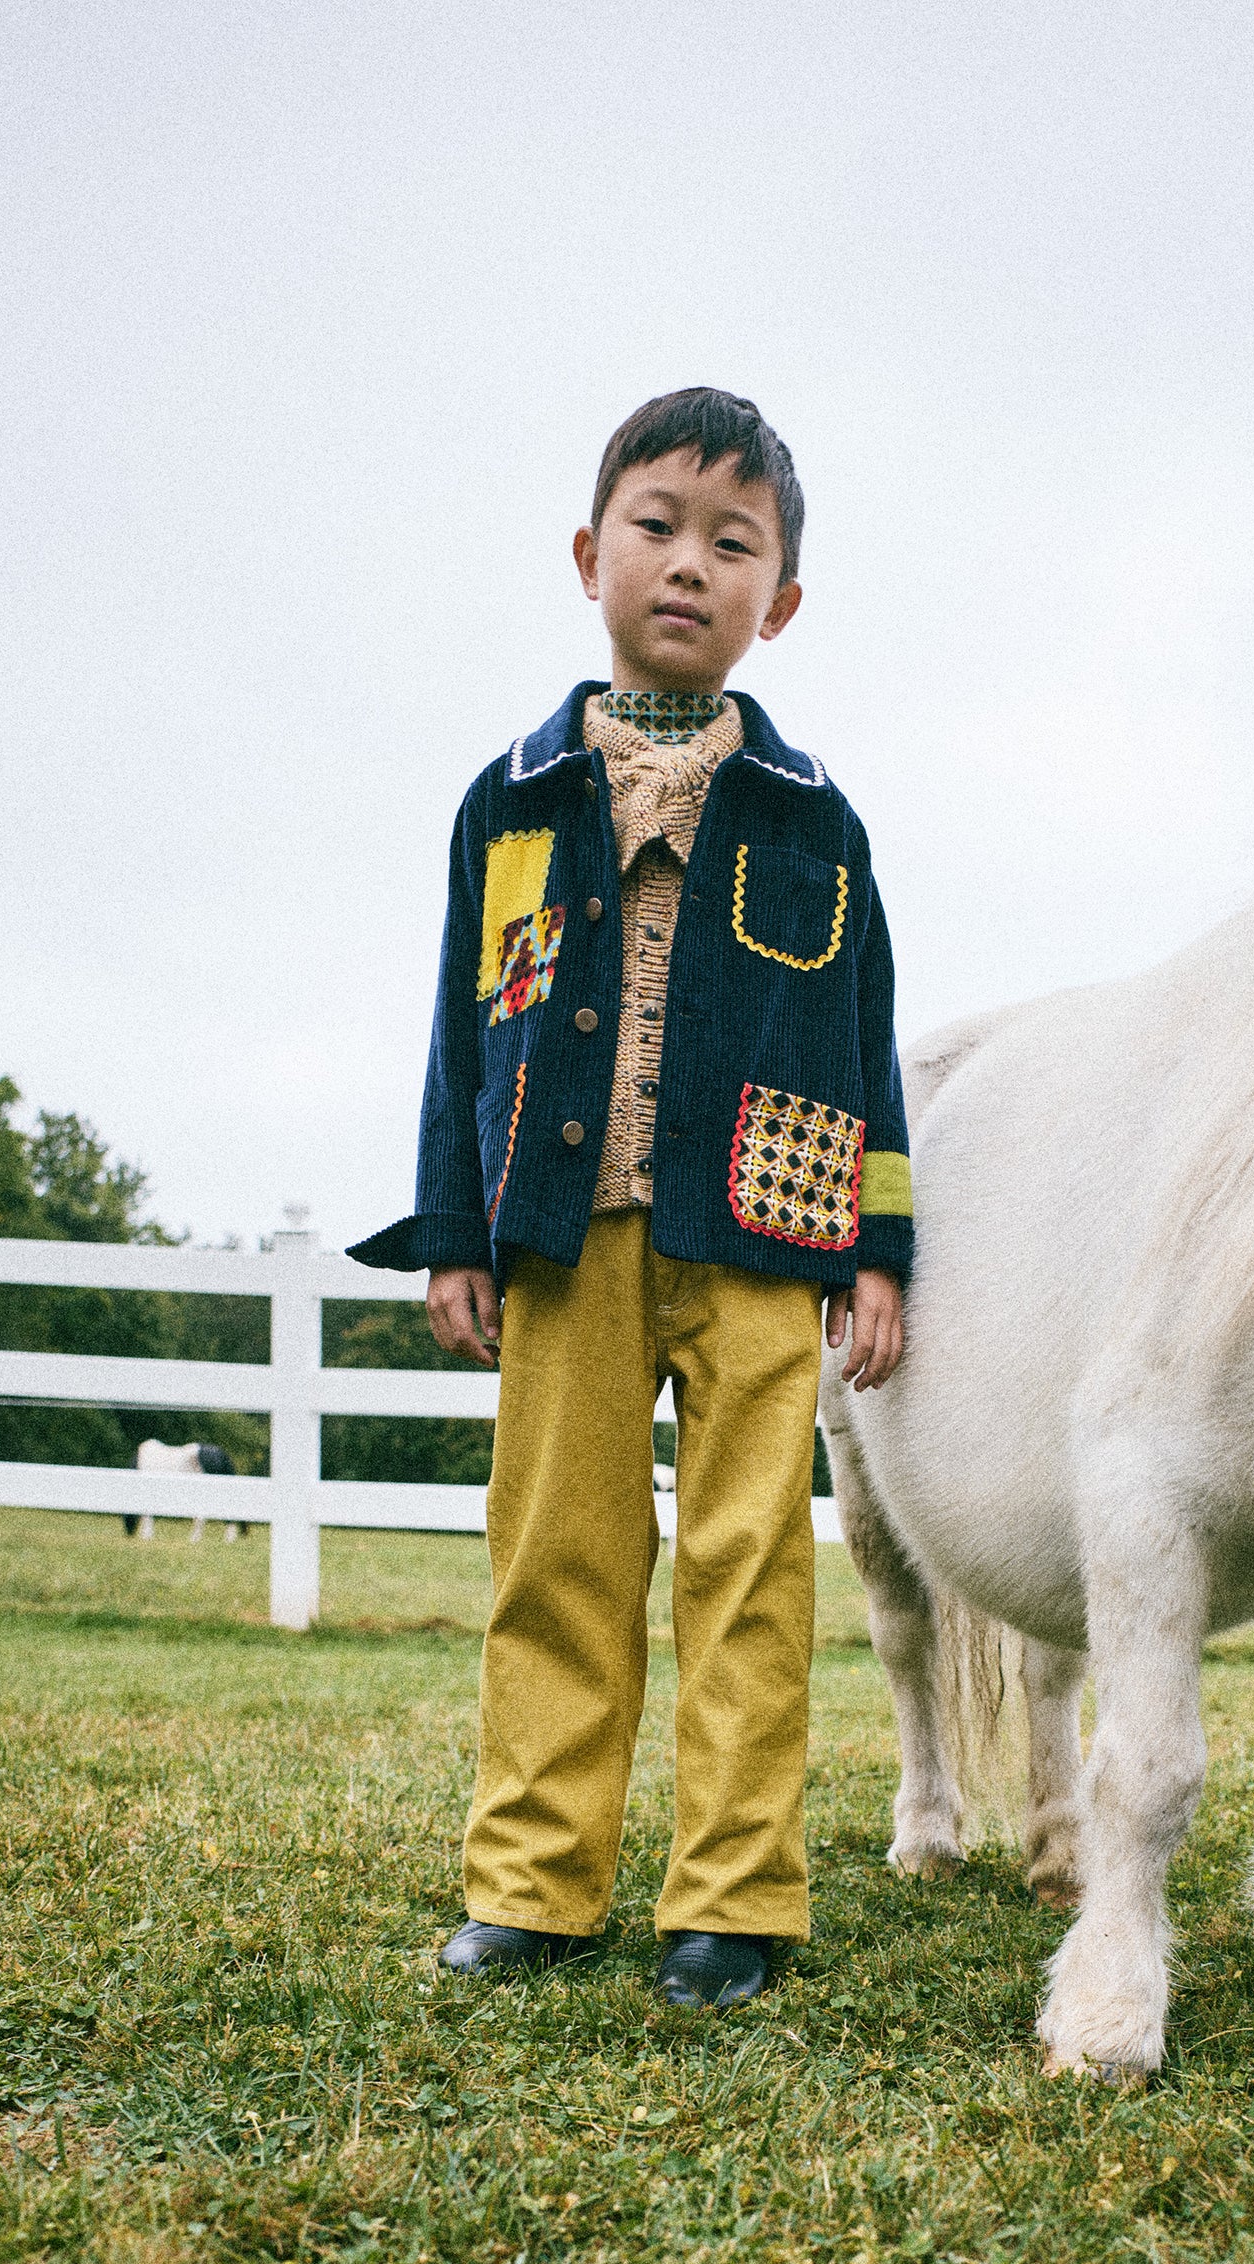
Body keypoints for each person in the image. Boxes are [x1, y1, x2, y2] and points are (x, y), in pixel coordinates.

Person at [350, 387, 912, 2009]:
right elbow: (465, 1024)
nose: (690, 565)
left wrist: (877, 1249)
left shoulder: (819, 818)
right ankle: (532, 1883)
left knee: (754, 1570)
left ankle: (733, 1899)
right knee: (559, 1556)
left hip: (759, 1237)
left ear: (778, 601)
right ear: (592, 555)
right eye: (657, 528)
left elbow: (862, 1040)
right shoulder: (510, 799)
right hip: (560, 1229)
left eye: (732, 544)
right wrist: (454, 1227)